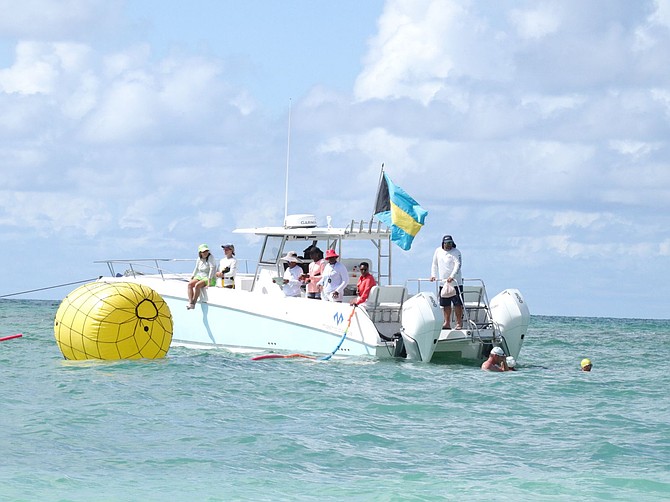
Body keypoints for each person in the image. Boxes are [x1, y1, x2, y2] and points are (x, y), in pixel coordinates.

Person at [430, 234, 463, 330]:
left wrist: (452, 276)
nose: (448, 245)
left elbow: (458, 264)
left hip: (455, 283)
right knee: (445, 304)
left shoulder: (456, 252)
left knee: (457, 303)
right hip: (443, 283)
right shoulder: (438, 251)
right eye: (446, 243)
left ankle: (458, 323)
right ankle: (447, 323)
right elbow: (434, 264)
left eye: (450, 243)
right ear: (443, 243)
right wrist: (433, 275)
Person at [187, 244, 216, 309]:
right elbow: (196, 268)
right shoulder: (199, 259)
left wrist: (209, 281)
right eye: (203, 252)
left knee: (197, 285)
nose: (205, 253)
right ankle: (190, 301)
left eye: (206, 251)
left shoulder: (211, 258)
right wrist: (192, 276)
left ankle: (193, 303)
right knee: (190, 284)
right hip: (200, 276)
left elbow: (212, 269)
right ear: (200, 253)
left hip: (209, 277)